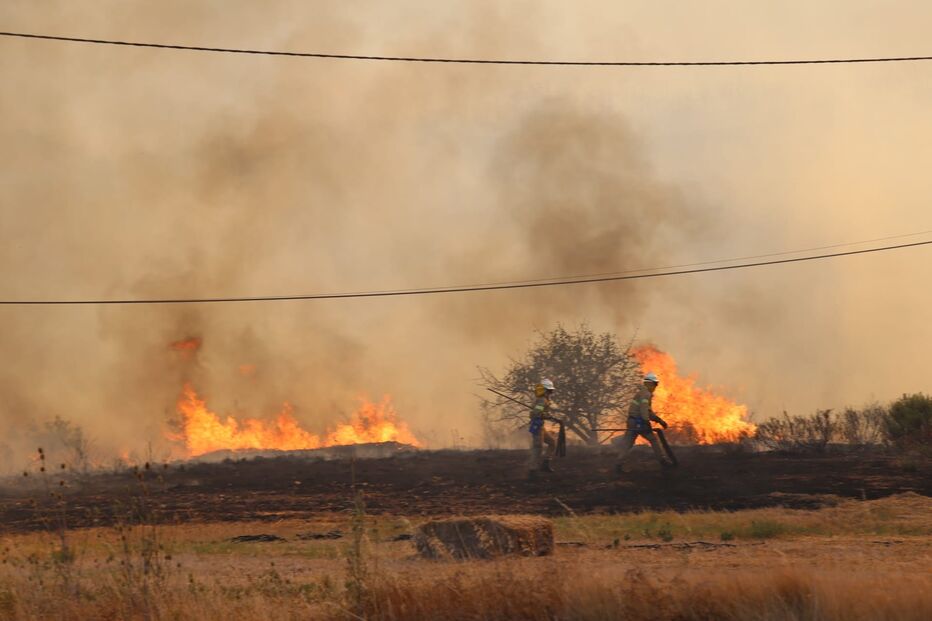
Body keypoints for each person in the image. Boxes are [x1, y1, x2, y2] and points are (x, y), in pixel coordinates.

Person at [616, 372, 672, 472]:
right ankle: (663, 461)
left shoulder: (643, 393)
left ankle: (618, 464)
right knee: (653, 440)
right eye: (655, 384)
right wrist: (646, 422)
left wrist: (659, 420)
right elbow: (643, 409)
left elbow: (648, 411)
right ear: (650, 383)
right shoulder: (646, 394)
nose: (655, 387)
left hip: (632, 422)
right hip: (639, 423)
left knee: (628, 444)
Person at [529, 378, 557, 475]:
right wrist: (548, 416)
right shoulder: (542, 400)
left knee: (552, 442)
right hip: (537, 426)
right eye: (550, 390)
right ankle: (532, 469)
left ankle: (545, 463)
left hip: (540, 426)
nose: (551, 392)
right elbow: (537, 413)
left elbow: (538, 412)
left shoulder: (543, 400)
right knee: (538, 447)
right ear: (546, 390)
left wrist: (547, 415)